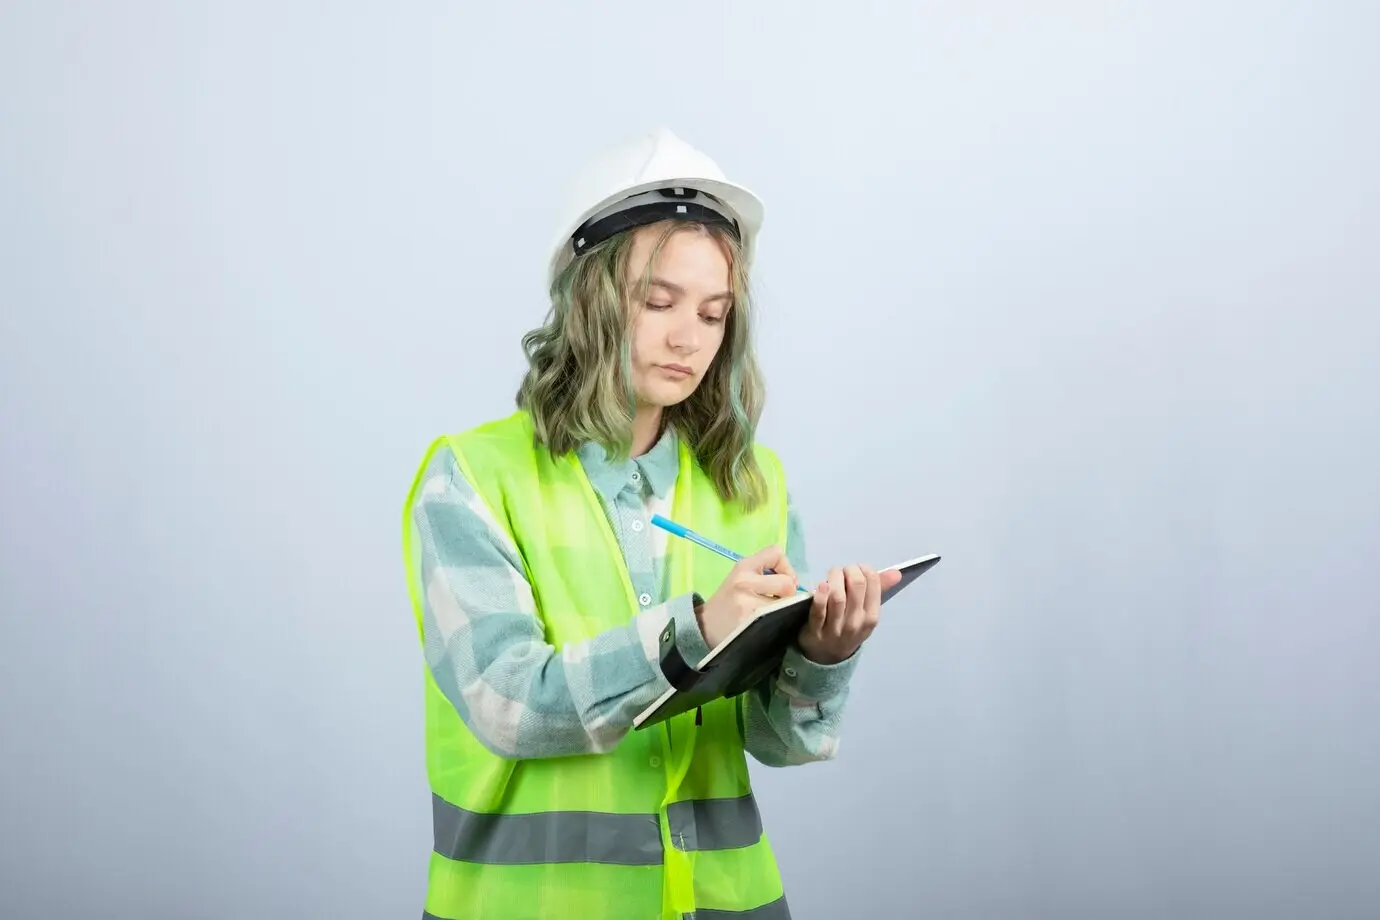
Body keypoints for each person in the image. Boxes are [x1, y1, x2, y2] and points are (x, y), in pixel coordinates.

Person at [400, 127, 902, 920]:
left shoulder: (754, 488)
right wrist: (697, 629)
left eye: (713, 313)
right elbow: (505, 703)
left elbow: (777, 743)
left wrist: (822, 655)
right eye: (657, 302)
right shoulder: (474, 479)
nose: (686, 338)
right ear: (589, 299)